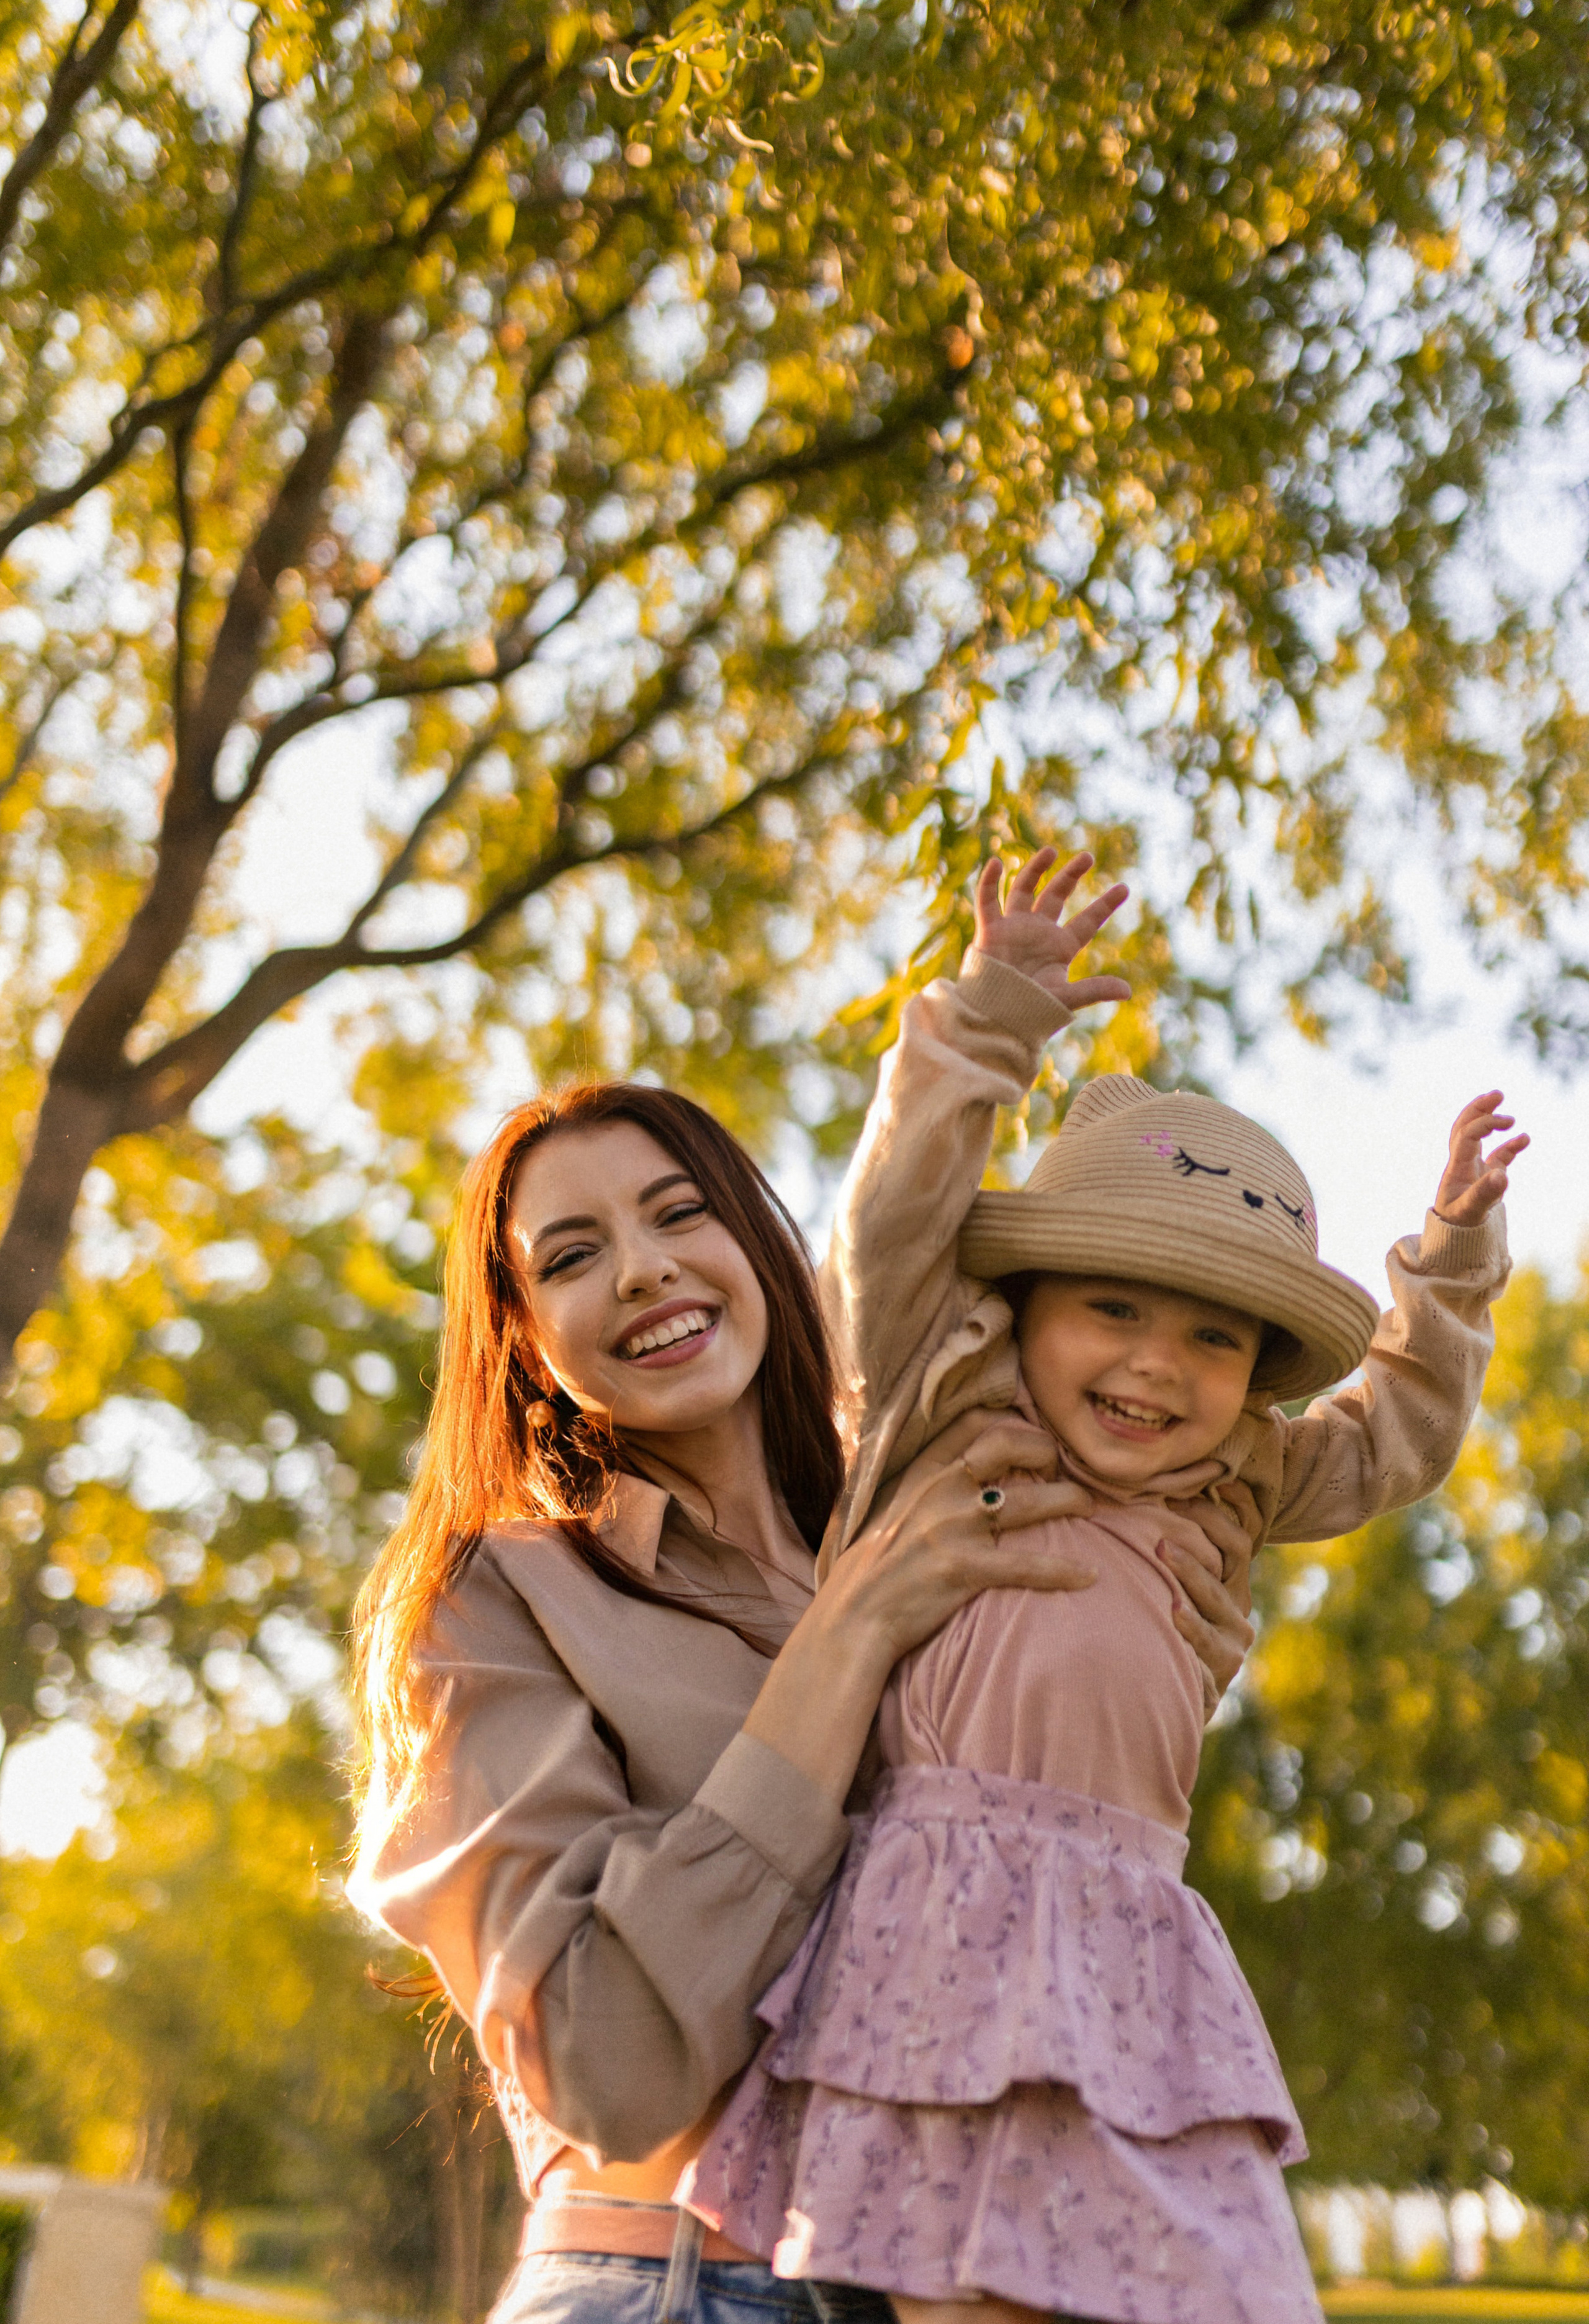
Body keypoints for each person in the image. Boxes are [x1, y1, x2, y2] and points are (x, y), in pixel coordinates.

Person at [681, 849, 1523, 2324]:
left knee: (1215, 2287)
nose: (1152, 1365)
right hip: (940, 1918)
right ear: (1024, 1308)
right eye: (1111, 1311)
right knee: (970, 2289)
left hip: (1130, 1934)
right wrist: (988, 1018)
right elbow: (892, 1220)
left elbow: (1395, 1439)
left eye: (1211, 1341)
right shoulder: (950, 1395)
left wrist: (1445, 1268)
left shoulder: (1238, 1482)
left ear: (1252, 1380)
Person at [348, 962, 1258, 2320]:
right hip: (669, 2286)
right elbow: (606, 2075)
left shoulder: (932, 1505)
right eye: (573, 1255)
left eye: (677, 1214)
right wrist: (848, 1633)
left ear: (756, 1243)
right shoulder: (499, 1604)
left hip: (950, 2277)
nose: (646, 1267)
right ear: (527, 1344)